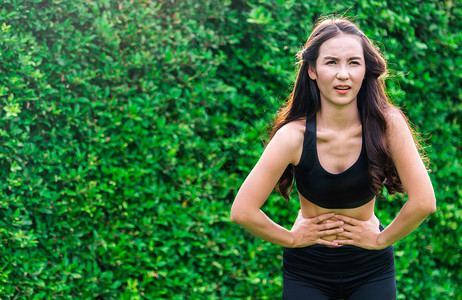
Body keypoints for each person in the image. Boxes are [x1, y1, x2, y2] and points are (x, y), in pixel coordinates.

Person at [230, 17, 436, 300]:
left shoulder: (388, 125)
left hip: (371, 270)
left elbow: (424, 201)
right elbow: (242, 211)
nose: (343, 74)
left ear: (366, 70)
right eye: (331, 63)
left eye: (354, 62)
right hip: (306, 271)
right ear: (312, 70)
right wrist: (291, 238)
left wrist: (380, 239)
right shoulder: (294, 136)